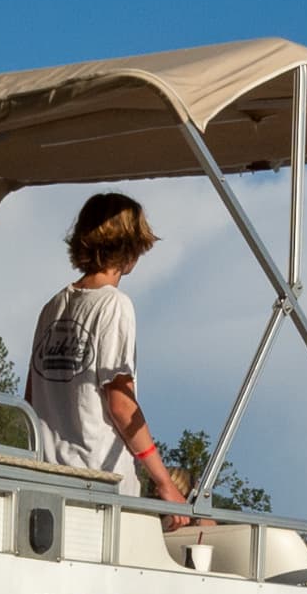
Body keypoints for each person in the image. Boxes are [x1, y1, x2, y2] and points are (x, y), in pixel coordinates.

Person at [24, 192, 191, 517]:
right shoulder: (113, 306)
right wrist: (163, 482)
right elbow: (121, 403)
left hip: (48, 481)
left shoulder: (52, 308)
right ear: (130, 246)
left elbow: (32, 398)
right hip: (101, 485)